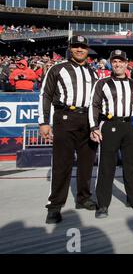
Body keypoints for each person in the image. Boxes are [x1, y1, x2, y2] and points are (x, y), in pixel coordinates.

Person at [38, 36, 99, 224]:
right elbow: (45, 94)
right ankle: (55, 205)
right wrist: (43, 122)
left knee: (86, 163)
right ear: (70, 49)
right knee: (61, 164)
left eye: (83, 47)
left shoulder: (93, 73)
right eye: (76, 46)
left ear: (87, 50)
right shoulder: (57, 69)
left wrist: (97, 124)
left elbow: (97, 101)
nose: (79, 50)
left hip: (87, 120)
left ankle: (83, 198)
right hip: (65, 118)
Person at [89, 50, 133, 218]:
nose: (118, 64)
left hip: (129, 126)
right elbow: (94, 105)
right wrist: (93, 127)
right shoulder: (102, 83)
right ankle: (103, 204)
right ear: (111, 64)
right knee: (106, 167)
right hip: (109, 124)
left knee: (130, 166)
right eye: (115, 61)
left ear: (127, 63)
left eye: (121, 61)